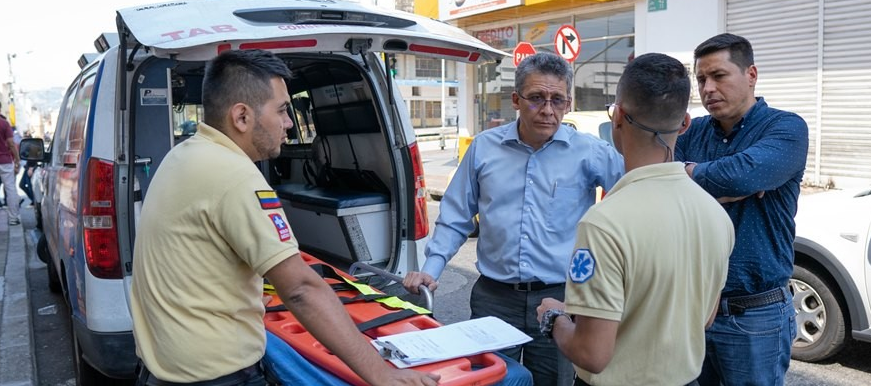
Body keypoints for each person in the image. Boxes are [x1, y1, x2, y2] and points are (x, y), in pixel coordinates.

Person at [130, 49, 440, 386]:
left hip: (161, 369)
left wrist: (239, 296)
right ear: (242, 117)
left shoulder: (184, 155)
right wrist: (382, 374)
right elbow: (301, 291)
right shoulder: (234, 176)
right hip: (217, 377)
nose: (290, 123)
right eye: (281, 111)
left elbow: (192, 261)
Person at [403, 51, 624, 386]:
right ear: (516, 100)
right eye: (536, 98)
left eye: (558, 100)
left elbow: (634, 194)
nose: (548, 110)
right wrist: (431, 271)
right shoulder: (483, 148)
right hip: (494, 299)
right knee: (492, 380)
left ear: (568, 102)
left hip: (561, 300)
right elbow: (456, 216)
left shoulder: (589, 151)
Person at [535, 53, 735, 386]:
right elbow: (705, 318)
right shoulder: (715, 213)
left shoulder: (604, 223)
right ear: (684, 123)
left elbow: (592, 354)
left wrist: (553, 317)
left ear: (619, 117)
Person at [675, 33, 808, 385]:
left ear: (751, 74)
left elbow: (739, 177)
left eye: (719, 76)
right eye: (701, 79)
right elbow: (660, 184)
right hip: (694, 310)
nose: (707, 88)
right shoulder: (693, 132)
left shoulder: (786, 128)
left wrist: (693, 176)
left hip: (756, 315)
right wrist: (720, 182)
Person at [0, 102, 21, 225]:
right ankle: (13, 218)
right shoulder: (4, 124)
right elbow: (11, 144)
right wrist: (17, 159)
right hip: (5, 161)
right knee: (10, 188)